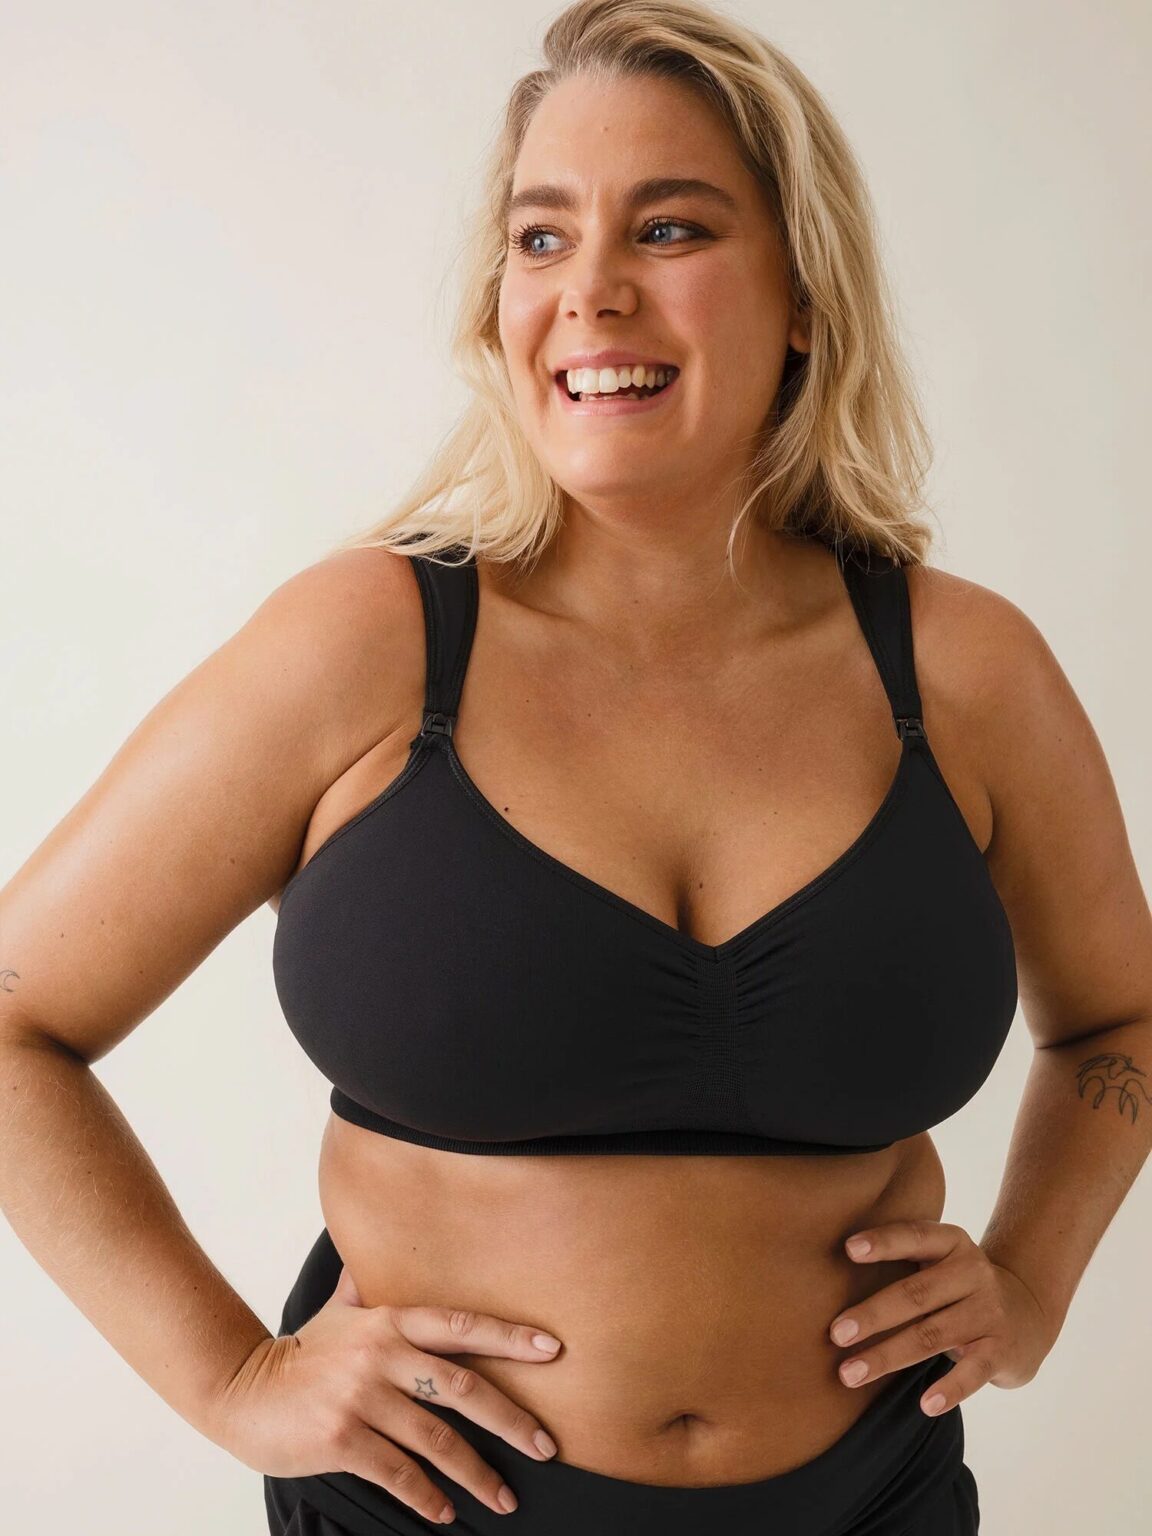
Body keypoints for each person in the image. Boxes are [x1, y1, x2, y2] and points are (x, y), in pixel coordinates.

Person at [2, 1, 1150, 1532]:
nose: (591, 290)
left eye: (669, 229)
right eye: (541, 239)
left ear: (806, 299)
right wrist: (231, 1380)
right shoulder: (368, 645)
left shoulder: (962, 671)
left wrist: (1035, 1281)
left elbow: (1121, 1017)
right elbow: (17, 1023)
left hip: (877, 1502)